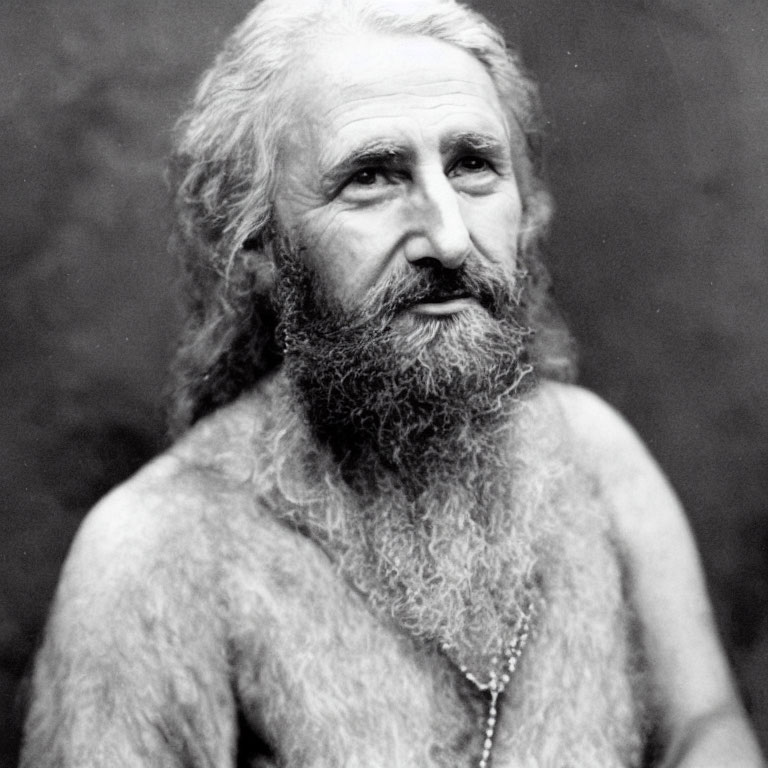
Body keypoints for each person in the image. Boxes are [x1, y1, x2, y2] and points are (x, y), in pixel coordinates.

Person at [20, 0, 766, 766]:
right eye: (372, 177)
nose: (447, 237)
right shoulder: (154, 553)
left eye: (473, 164)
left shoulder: (592, 452)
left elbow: (702, 726)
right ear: (258, 247)